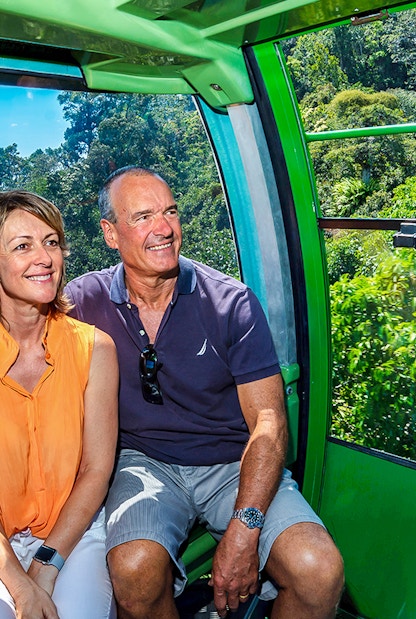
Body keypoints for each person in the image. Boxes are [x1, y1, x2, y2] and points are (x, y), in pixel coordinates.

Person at [65, 166, 344, 619]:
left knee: (318, 570)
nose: (163, 228)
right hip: (143, 462)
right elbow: (22, 319)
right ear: (110, 234)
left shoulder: (230, 303)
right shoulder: (86, 301)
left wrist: (245, 525)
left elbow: (270, 425)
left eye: (170, 212)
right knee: (133, 571)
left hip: (233, 461)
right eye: (142, 217)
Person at [0, 190, 119, 619]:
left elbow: (95, 471)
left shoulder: (95, 349)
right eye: (22, 246)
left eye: (51, 242)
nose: (44, 257)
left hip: (72, 534)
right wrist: (20, 586)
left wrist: (45, 569)